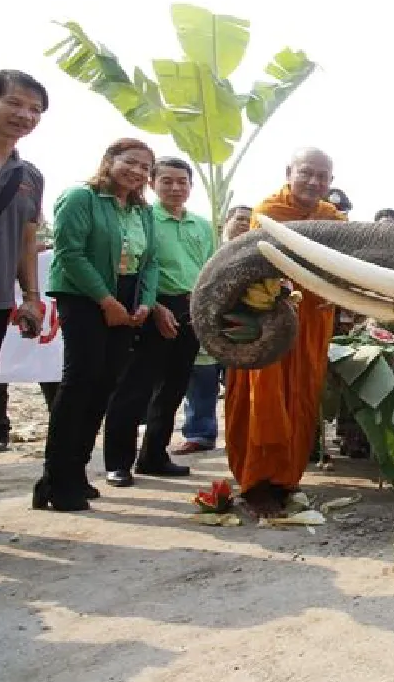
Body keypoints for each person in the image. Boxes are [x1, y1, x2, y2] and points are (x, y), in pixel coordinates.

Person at [34, 138, 158, 510]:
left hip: (127, 299)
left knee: (104, 386)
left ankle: (70, 474)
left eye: (145, 168)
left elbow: (149, 261)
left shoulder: (142, 212)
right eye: (130, 162)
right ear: (109, 160)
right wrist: (106, 301)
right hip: (84, 298)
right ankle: (59, 480)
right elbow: (70, 253)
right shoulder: (80, 197)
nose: (137, 172)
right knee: (79, 384)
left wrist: (145, 304)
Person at [224, 149, 346, 516]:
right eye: (306, 173)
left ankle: (286, 478)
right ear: (288, 173)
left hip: (313, 319)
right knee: (264, 396)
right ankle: (255, 482)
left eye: (323, 176)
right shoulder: (268, 212)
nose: (314, 182)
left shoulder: (332, 217)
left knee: (303, 395)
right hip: (268, 317)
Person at [101, 157, 215, 484]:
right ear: (152, 184)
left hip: (192, 310)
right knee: (134, 388)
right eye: (167, 181)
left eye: (182, 181)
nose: (175, 187)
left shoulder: (202, 225)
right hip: (150, 309)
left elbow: (209, 267)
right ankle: (118, 463)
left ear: (191, 187)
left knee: (174, 388)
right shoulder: (143, 218)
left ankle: (153, 455)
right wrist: (153, 307)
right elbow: (137, 268)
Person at [173, 204, 251, 455]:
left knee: (240, 387)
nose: (244, 224)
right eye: (239, 218)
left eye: (250, 221)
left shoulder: (257, 252)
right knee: (201, 383)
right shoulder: (209, 249)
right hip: (207, 327)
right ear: (226, 221)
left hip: (241, 329)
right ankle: (199, 435)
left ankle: (243, 436)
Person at [0, 70, 47, 378]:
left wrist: (30, 298)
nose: (25, 115)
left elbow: (27, 241)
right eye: (14, 103)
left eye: (35, 110)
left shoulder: (30, 176)